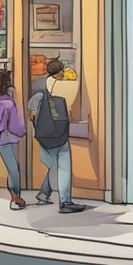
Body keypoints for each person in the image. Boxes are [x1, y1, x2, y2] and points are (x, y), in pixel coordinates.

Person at [30, 59, 87, 212]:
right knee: (63, 166)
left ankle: (43, 194)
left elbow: (31, 110)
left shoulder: (39, 85)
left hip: (44, 132)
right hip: (59, 131)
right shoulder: (67, 85)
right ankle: (65, 202)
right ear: (60, 72)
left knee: (54, 166)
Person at [0, 68, 26, 210]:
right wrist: (22, 132)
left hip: (2, 139)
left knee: (12, 168)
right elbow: (11, 124)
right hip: (10, 138)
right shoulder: (9, 103)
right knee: (14, 169)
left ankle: (14, 195)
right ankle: (15, 196)